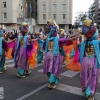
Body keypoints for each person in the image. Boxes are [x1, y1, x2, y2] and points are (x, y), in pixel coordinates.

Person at [43, 19, 76, 89]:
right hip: (48, 56)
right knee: (49, 70)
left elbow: (64, 40)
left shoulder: (57, 39)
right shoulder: (48, 38)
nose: (50, 29)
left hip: (55, 57)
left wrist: (72, 38)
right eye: (49, 28)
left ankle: (52, 81)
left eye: (51, 28)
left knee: (54, 69)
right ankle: (53, 80)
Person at [79, 19, 100, 100]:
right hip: (85, 61)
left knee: (93, 77)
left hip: (93, 61)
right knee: (84, 75)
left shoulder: (97, 42)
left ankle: (90, 92)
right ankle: (86, 89)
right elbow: (80, 49)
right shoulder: (84, 43)